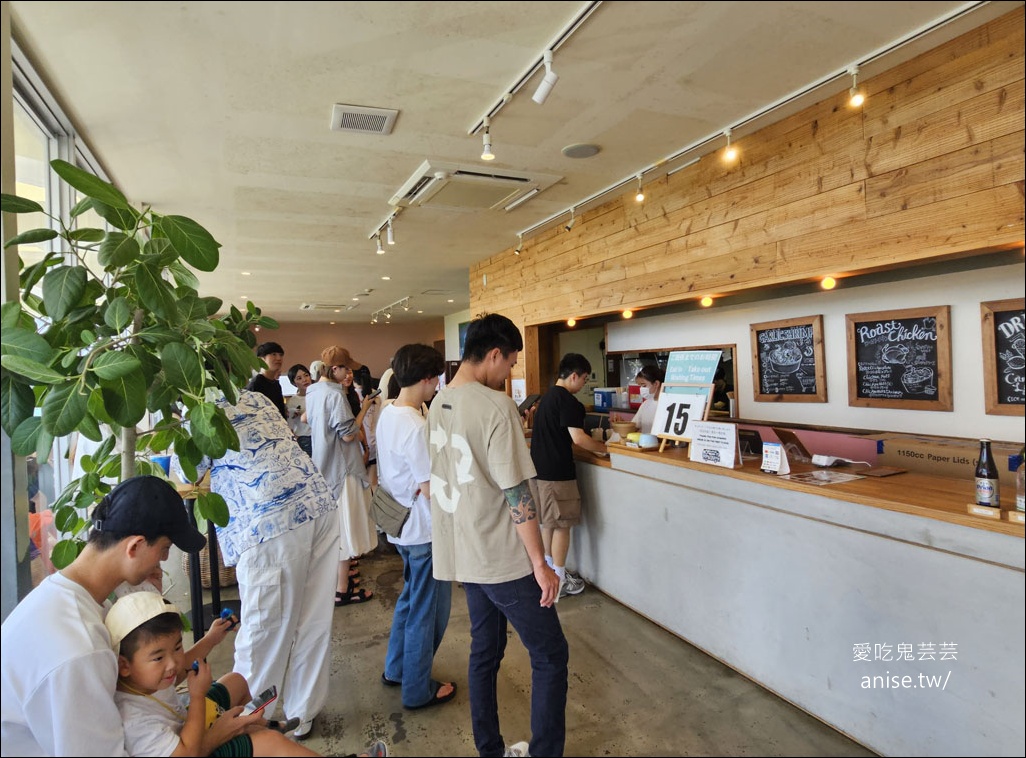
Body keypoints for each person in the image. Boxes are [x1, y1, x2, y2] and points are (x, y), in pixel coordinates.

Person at [0, 475, 222, 756]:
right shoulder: (80, 648)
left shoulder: (63, 598)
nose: (163, 561)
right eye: (164, 550)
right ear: (135, 546)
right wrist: (213, 738)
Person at [429, 313, 567, 757]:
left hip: (464, 554)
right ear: (493, 354)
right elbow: (516, 493)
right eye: (509, 363)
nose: (509, 373)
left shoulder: (438, 402)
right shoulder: (495, 407)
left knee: (484, 653)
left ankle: (489, 750)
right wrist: (540, 562)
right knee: (550, 656)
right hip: (502, 558)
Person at [171, 390, 340, 742]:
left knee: (264, 631)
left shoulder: (196, 413)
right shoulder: (253, 396)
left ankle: (246, 723)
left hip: (269, 519)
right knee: (312, 621)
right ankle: (300, 715)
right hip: (316, 501)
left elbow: (185, 477)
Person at [377, 344, 456, 710]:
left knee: (410, 602)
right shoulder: (415, 425)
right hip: (423, 530)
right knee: (428, 611)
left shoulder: (389, 414)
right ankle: (417, 689)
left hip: (400, 526)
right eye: (436, 378)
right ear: (426, 379)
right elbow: (430, 489)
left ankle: (397, 670)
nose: (436, 385)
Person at [530, 353, 609, 600]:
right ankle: (560, 581)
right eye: (584, 379)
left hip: (540, 473)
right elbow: (579, 439)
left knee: (549, 524)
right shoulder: (569, 402)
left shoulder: (546, 399)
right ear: (574, 375)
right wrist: (609, 448)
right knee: (563, 527)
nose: (583, 384)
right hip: (559, 475)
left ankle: (547, 576)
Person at [305, 345, 377, 607]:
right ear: (335, 369)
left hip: (324, 468)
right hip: (342, 468)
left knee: (336, 531)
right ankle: (343, 589)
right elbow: (348, 434)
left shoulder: (312, 393)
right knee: (346, 533)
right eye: (346, 368)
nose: (349, 373)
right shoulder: (334, 396)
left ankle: (338, 586)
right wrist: (364, 410)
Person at [615, 364, 664, 434]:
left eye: (644, 385)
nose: (641, 389)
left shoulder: (666, 405)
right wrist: (621, 423)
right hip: (644, 443)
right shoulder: (646, 404)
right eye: (640, 386)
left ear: (656, 383)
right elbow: (634, 426)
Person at [246, 342, 287, 419]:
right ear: (261, 359)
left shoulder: (276, 384)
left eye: (281, 355)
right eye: (274, 354)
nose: (279, 358)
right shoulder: (256, 384)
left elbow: (281, 412)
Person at [286, 363, 314, 456]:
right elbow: (290, 424)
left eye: (306, 375)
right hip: (304, 438)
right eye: (299, 378)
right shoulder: (292, 401)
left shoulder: (318, 395)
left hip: (320, 436)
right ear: (293, 383)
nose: (304, 380)